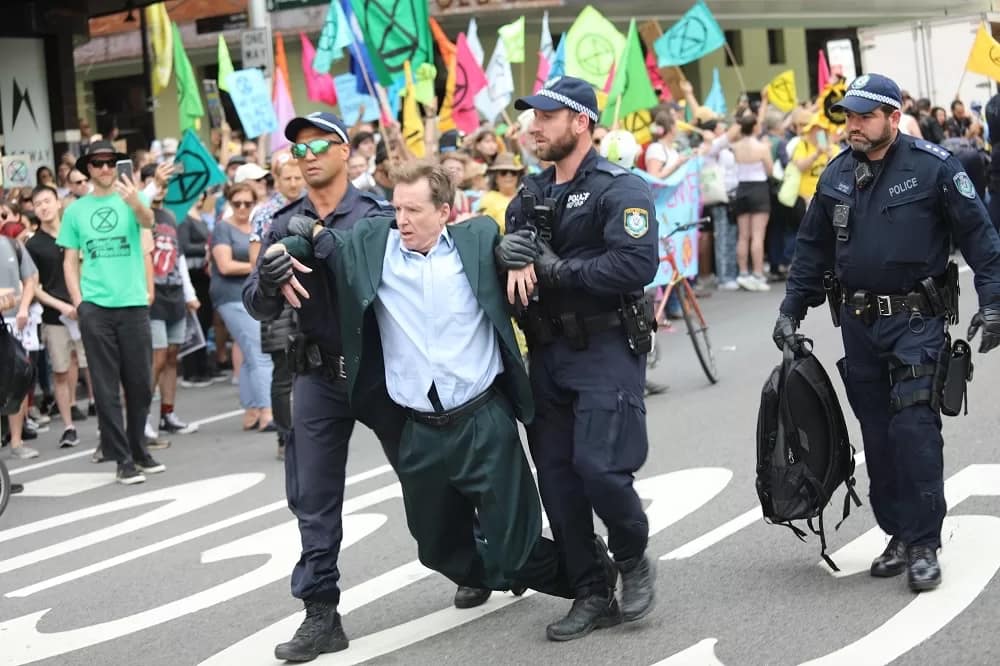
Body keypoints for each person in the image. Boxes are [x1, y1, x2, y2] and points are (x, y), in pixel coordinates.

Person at [269, 161, 588, 633]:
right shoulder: (374, 246)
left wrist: (522, 253)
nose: (403, 220)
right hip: (419, 428)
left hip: (483, 420)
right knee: (436, 549)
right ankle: (500, 573)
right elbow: (321, 243)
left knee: (516, 551)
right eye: (397, 208)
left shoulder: (477, 240)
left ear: (445, 211)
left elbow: (517, 246)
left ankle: (594, 582)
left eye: (414, 210)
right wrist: (281, 248)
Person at [773, 73, 1000, 593]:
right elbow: (810, 252)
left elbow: (982, 242)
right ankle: (897, 531)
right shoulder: (834, 178)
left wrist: (993, 304)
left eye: (864, 115)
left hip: (917, 322)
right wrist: (790, 311)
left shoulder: (935, 169)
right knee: (876, 436)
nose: (853, 125)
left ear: (894, 118)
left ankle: (924, 542)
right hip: (859, 326)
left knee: (914, 430)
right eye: (848, 116)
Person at [495, 77, 658, 641]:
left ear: (581, 122)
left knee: (600, 468)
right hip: (546, 351)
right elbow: (514, 273)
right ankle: (590, 589)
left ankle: (632, 557)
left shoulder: (620, 188)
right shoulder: (528, 194)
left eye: (545, 116)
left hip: (605, 345)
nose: (532, 126)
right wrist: (507, 255)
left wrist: (560, 271)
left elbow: (635, 265)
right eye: (531, 117)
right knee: (559, 483)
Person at [242, 112, 406, 662]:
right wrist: (265, 283)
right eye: (298, 149)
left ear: (344, 153)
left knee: (427, 472)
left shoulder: (377, 213)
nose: (306, 155)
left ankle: (467, 556)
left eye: (318, 144)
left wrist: (324, 241)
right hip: (313, 372)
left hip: (379, 370)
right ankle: (320, 613)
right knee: (311, 499)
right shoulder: (279, 220)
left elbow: (381, 283)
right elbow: (258, 303)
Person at [57, 142, 163, 485]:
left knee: (140, 384)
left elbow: (148, 222)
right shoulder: (74, 211)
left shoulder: (134, 197)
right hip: (95, 307)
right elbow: (69, 260)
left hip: (132, 303)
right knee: (104, 387)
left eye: (110, 163)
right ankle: (123, 459)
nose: (105, 169)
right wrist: (79, 301)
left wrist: (134, 201)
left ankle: (139, 448)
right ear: (88, 168)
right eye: (98, 164)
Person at [25, 185, 89, 449]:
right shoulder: (34, 244)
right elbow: (34, 287)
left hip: (87, 309)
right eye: (38, 203)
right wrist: (63, 306)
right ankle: (68, 426)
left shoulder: (75, 231)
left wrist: (82, 301)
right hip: (55, 316)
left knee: (97, 367)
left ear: (58, 202)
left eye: (47, 201)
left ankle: (108, 424)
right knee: (61, 371)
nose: (43, 207)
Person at [212, 183, 274, 431]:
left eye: (247, 203)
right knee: (260, 352)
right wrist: (261, 265)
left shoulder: (258, 226)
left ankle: (252, 409)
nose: (242, 208)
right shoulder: (222, 228)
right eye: (237, 203)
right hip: (230, 296)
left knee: (251, 353)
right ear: (229, 203)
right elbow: (225, 266)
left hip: (255, 296)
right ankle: (268, 412)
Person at [477, 153, 525, 232]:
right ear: (496, 177)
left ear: (518, 177)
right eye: (503, 172)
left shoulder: (525, 196)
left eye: (513, 172)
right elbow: (484, 228)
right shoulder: (489, 198)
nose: (509, 175)